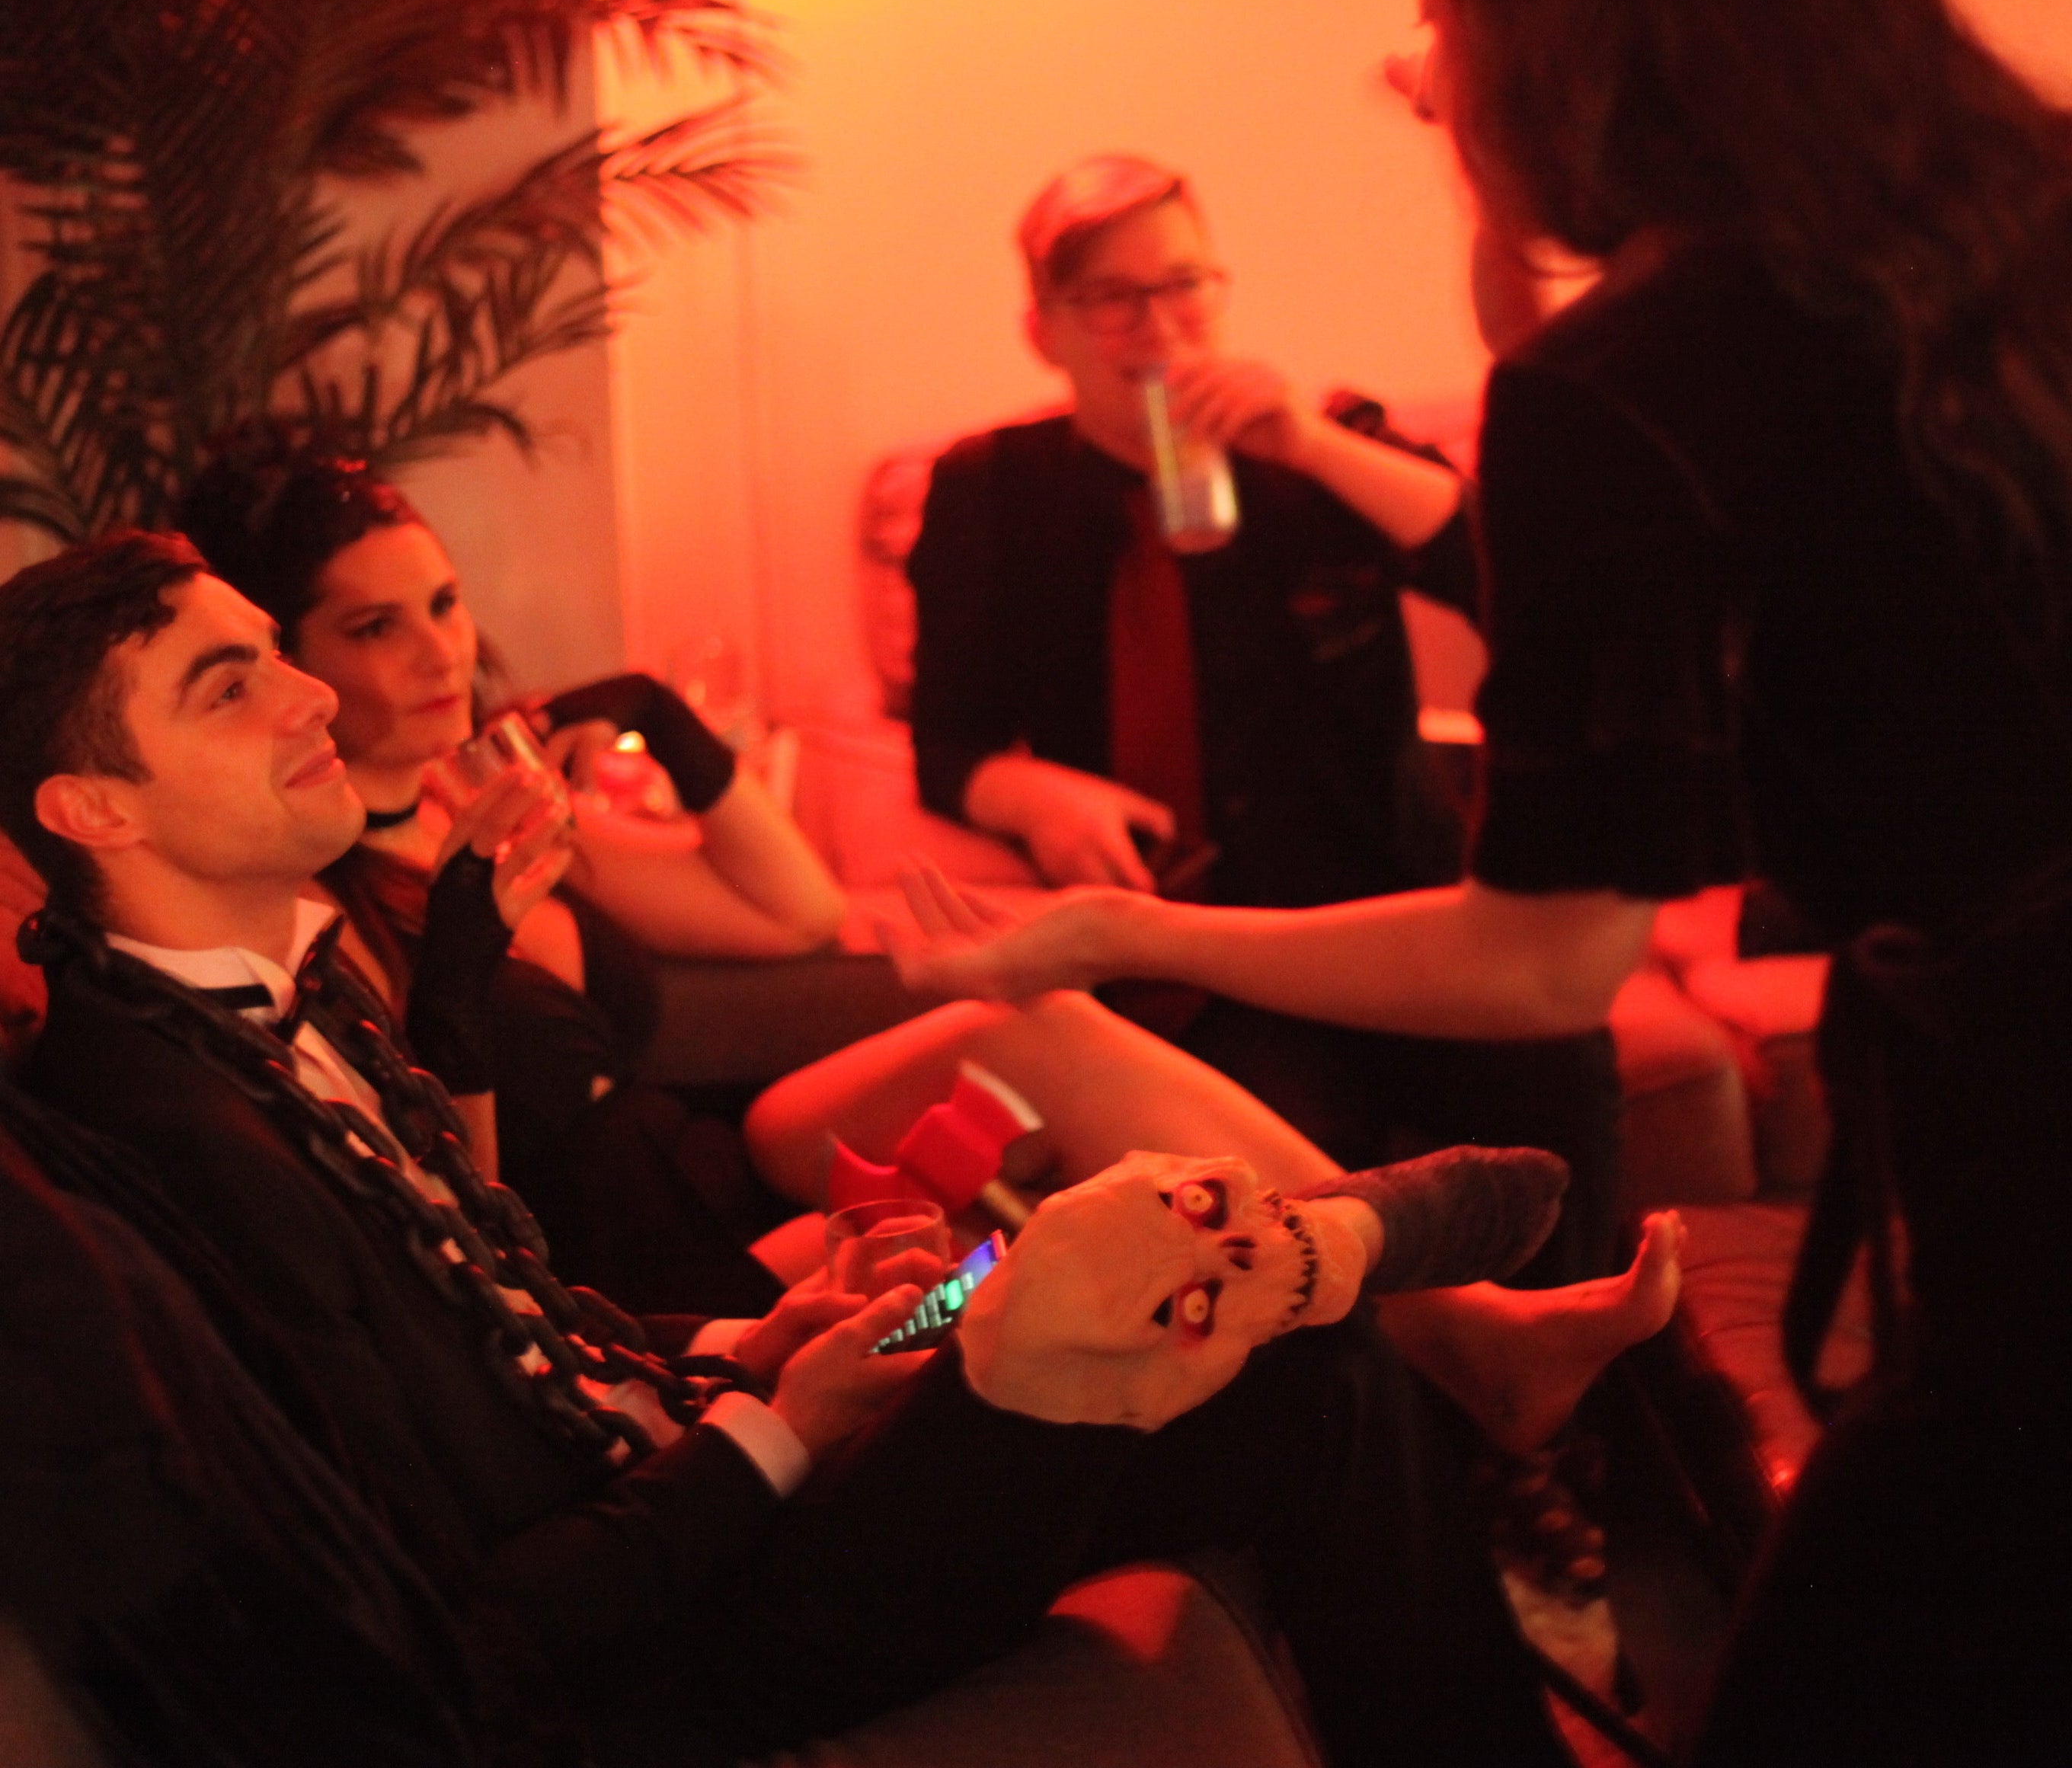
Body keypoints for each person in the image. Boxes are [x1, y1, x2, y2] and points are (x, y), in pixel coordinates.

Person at [891, 0, 2072, 1764]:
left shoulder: (1606, 385)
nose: (1425, 46)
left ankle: (1599, 1524)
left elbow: (1548, 947)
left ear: (1544, 22)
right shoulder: (2010, 214)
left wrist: (1113, 946)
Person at [0, 529, 1656, 1767]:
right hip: (687, 1630)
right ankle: (1377, 1244)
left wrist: (756, 1345)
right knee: (1177, 1313)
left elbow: (496, 1323)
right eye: (235, 681)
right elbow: (461, 1591)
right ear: (94, 809)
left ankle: (1375, 1299)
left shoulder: (275, 988)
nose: (312, 693)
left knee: (1297, 1372)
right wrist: (780, 1433)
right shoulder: (161, 1128)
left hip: (711, 1448)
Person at [909, 155, 1622, 1282]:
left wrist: (1314, 447)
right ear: (1045, 327)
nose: (1160, 325)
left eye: (1186, 284)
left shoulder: (1325, 444)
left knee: (1557, 1086)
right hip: (1204, 957)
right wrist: (1036, 793)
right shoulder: (988, 493)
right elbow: (944, 744)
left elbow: (1524, 586)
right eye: (1113, 296)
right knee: (1279, 1203)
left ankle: (1582, 1397)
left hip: (1398, 916)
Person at [178, 441, 938, 1306]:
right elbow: (439, 1212)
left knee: (1025, 1105)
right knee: (979, 1275)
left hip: (718, 1204)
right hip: (618, 1303)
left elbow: (796, 911)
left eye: (445, 604)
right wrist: (456, 971)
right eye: (376, 626)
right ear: (292, 666)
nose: (443, 654)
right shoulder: (308, 899)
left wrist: (657, 710)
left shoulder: (482, 802)